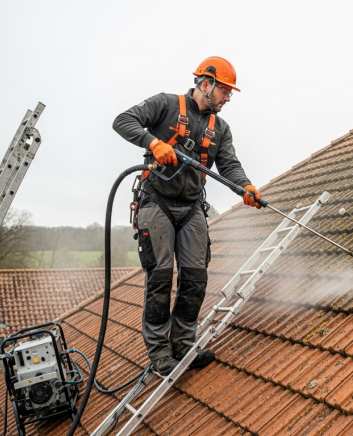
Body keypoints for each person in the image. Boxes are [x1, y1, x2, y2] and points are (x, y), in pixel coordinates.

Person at [112, 56, 261, 376]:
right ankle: (160, 352)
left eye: (230, 92)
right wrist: (153, 142)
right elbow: (123, 120)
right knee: (161, 277)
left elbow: (229, 165)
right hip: (157, 202)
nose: (228, 97)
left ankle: (183, 345)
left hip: (192, 206)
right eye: (224, 90)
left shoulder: (220, 128)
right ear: (205, 84)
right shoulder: (165, 104)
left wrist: (245, 186)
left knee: (195, 278)